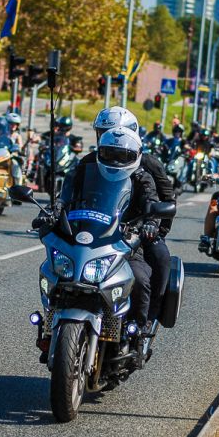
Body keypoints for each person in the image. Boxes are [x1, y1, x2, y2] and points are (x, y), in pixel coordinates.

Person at [35, 127, 159, 330]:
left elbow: (152, 205)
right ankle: (51, 320)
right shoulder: (83, 170)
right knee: (52, 269)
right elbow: (64, 197)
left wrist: (151, 224)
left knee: (140, 279)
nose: (116, 160)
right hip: (85, 236)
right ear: (100, 152)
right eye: (109, 154)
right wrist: (53, 211)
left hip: (125, 242)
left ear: (136, 156)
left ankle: (138, 332)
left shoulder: (142, 179)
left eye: (123, 155)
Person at [87, 107, 175, 326]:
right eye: (102, 132)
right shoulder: (91, 161)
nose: (106, 137)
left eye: (113, 131)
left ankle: (148, 320)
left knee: (160, 259)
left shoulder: (148, 165)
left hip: (137, 231)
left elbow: (166, 198)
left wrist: (155, 229)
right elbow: (70, 194)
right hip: (97, 230)